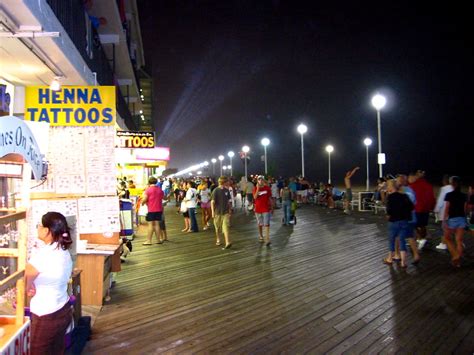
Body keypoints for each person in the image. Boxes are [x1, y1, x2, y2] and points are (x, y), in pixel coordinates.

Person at [26, 212, 73, 354]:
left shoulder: (44, 254)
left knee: (36, 350)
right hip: (62, 308)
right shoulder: (62, 250)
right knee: (56, 350)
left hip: (45, 314)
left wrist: (29, 285)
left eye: (39, 226)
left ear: (46, 230)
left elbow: (25, 278)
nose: (37, 229)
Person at [384, 180, 414, 268]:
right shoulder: (404, 196)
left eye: (388, 186)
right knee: (402, 241)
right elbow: (411, 207)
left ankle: (390, 258)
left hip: (393, 221)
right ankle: (403, 262)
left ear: (391, 187)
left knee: (392, 240)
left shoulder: (390, 197)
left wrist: (389, 215)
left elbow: (389, 210)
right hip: (404, 221)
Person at [443, 176, 468, 267]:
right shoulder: (464, 195)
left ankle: (455, 255)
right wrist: (465, 220)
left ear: (452, 184)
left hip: (452, 219)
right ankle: (458, 262)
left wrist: (444, 220)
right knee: (459, 241)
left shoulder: (449, 195)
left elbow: (447, 208)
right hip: (461, 219)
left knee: (447, 238)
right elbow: (465, 210)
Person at [409, 170, 436, 250]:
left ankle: (421, 238)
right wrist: (432, 207)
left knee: (414, 224)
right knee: (423, 225)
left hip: (416, 208)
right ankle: (421, 238)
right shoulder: (428, 185)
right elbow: (431, 198)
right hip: (425, 208)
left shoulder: (412, 186)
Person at [211, 176, 232, 249]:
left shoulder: (227, 190)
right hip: (217, 212)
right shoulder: (216, 190)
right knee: (217, 228)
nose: (228, 182)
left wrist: (230, 210)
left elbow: (229, 201)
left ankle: (227, 242)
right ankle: (218, 238)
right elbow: (212, 202)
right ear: (224, 182)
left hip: (225, 212)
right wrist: (213, 212)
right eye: (227, 181)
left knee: (226, 227)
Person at [141, 176, 164, 245]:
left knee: (150, 225)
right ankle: (158, 240)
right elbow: (164, 197)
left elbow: (145, 199)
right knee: (157, 224)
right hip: (159, 209)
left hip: (151, 209)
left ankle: (149, 241)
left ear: (149, 182)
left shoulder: (148, 190)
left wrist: (142, 202)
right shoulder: (160, 190)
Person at [434, 175, 453, 250]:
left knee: (443, 229)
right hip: (453, 212)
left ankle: (444, 243)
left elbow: (440, 201)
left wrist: (436, 210)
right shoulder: (454, 188)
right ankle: (453, 242)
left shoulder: (444, 189)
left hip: (444, 211)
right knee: (451, 228)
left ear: (444, 181)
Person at [253, 175, 273, 246]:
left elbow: (270, 198)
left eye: (262, 180)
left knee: (267, 224)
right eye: (259, 180)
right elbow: (255, 197)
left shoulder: (267, 188)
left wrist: (272, 207)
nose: (260, 181)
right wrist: (258, 189)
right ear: (257, 181)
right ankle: (261, 236)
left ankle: (267, 239)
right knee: (260, 224)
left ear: (264, 181)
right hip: (258, 209)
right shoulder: (255, 188)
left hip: (266, 209)